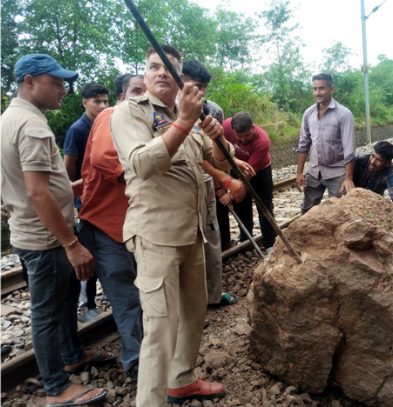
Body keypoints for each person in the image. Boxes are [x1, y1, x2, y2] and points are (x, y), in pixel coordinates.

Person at [110, 45, 232, 406]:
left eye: (169, 68)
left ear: (180, 79)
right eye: (153, 67)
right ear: (145, 74)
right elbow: (143, 165)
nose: (161, 72)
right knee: (160, 330)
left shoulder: (188, 115)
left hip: (191, 233)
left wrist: (215, 133)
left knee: (193, 314)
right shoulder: (128, 113)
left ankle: (181, 380)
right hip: (156, 237)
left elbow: (223, 164)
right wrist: (184, 122)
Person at [1, 53, 110, 407]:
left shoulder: (11, 118)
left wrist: (79, 186)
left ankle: (71, 353)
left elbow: (31, 183)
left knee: (63, 304)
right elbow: (36, 191)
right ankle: (56, 388)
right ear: (29, 81)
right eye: (56, 82)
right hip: (46, 240)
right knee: (47, 314)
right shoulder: (31, 126)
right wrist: (71, 242)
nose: (63, 88)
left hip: (34, 232)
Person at [75, 73, 146, 380]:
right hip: (107, 228)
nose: (141, 97)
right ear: (121, 96)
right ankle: (138, 367)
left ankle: (147, 357)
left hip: (131, 228)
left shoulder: (146, 124)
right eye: (135, 91)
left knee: (140, 296)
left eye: (146, 92)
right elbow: (104, 158)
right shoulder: (111, 115)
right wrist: (142, 176)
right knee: (128, 300)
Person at [182, 59, 246, 307]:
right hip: (181, 193)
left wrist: (225, 166)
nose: (201, 93)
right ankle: (192, 302)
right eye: (197, 85)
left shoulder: (207, 110)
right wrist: (224, 178)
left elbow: (214, 156)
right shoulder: (165, 112)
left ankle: (212, 295)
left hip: (205, 187)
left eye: (204, 87)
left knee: (211, 239)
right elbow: (189, 158)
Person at [64, 82, 110, 323]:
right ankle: (88, 304)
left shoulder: (109, 123)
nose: (102, 106)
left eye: (105, 101)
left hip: (108, 198)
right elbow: (69, 164)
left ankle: (111, 292)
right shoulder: (78, 129)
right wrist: (76, 196)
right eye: (97, 101)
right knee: (90, 250)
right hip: (88, 200)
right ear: (85, 102)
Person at [296, 73, 356, 213]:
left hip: (337, 172)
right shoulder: (308, 113)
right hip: (315, 171)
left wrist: (348, 178)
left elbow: (349, 149)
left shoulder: (344, 114)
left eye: (321, 88)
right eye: (315, 89)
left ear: (332, 89)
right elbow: (303, 144)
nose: (318, 93)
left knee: (339, 212)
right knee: (308, 210)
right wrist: (299, 173)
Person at [222, 112, 276, 252]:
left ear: (253, 127)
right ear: (232, 130)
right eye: (238, 137)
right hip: (236, 167)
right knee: (241, 206)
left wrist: (231, 193)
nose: (243, 140)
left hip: (259, 171)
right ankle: (246, 241)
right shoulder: (226, 126)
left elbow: (248, 174)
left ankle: (269, 242)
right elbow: (219, 148)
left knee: (264, 206)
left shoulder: (262, 141)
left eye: (247, 136)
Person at [352, 141, 393, 205]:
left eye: (379, 160)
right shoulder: (360, 160)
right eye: (372, 156)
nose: (372, 162)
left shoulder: (390, 173)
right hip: (351, 198)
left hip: (371, 204)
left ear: (387, 163)